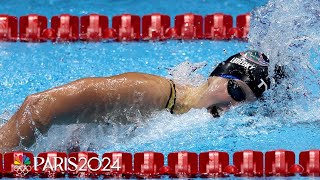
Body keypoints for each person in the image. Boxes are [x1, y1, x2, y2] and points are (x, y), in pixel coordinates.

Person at [0, 50, 272, 152]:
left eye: (244, 102)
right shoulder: (150, 93)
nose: (233, 105)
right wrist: (11, 165)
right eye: (236, 91)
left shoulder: (177, 112)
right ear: (216, 76)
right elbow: (38, 107)